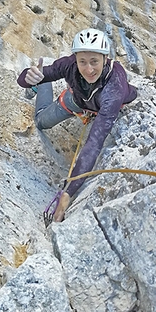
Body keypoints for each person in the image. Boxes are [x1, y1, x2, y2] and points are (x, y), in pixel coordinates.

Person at [17, 28, 138, 222]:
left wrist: (67, 193)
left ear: (105, 59)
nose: (89, 69)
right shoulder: (69, 66)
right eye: (82, 61)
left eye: (94, 62)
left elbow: (94, 143)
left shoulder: (114, 87)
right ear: (75, 58)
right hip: (76, 101)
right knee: (40, 122)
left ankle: (42, 87)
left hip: (101, 107)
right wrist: (28, 78)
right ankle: (41, 86)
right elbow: (24, 78)